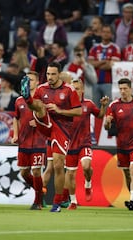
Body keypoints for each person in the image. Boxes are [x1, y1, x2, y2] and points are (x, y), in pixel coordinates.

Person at [20, 61, 82, 212]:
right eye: (48, 74)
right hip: (45, 123)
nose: (50, 77)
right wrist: (29, 101)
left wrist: (59, 110)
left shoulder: (69, 90)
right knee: (38, 105)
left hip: (62, 128)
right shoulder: (42, 89)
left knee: (58, 165)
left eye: (53, 74)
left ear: (59, 74)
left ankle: (56, 203)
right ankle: (26, 96)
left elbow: (78, 111)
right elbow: (35, 106)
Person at [104, 78, 133, 210]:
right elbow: (107, 127)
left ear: (131, 89)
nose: (122, 91)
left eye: (125, 89)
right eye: (120, 89)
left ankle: (131, 200)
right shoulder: (113, 106)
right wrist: (107, 122)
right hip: (122, 145)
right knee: (128, 174)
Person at [65, 79, 109, 210]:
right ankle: (73, 201)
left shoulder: (88, 104)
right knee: (70, 174)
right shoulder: (65, 105)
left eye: (77, 89)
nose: (75, 91)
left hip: (84, 142)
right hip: (69, 144)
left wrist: (103, 106)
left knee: (86, 166)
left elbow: (100, 116)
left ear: (82, 90)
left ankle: (88, 183)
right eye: (73, 89)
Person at [11, 71, 47, 210]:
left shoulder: (41, 99)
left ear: (37, 82)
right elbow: (16, 117)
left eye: (31, 80)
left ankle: (37, 201)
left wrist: (39, 123)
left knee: (37, 171)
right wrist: (15, 134)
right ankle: (40, 191)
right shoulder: (19, 100)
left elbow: (48, 118)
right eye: (26, 80)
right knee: (24, 173)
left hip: (39, 141)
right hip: (24, 141)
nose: (28, 82)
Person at [88, 24, 121, 106]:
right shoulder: (94, 48)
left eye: (108, 32)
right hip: (95, 83)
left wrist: (97, 64)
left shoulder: (115, 48)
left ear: (111, 34)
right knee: (95, 108)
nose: (105, 34)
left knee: (108, 108)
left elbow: (111, 66)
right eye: (104, 32)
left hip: (109, 83)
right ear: (100, 33)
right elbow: (90, 64)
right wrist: (105, 61)